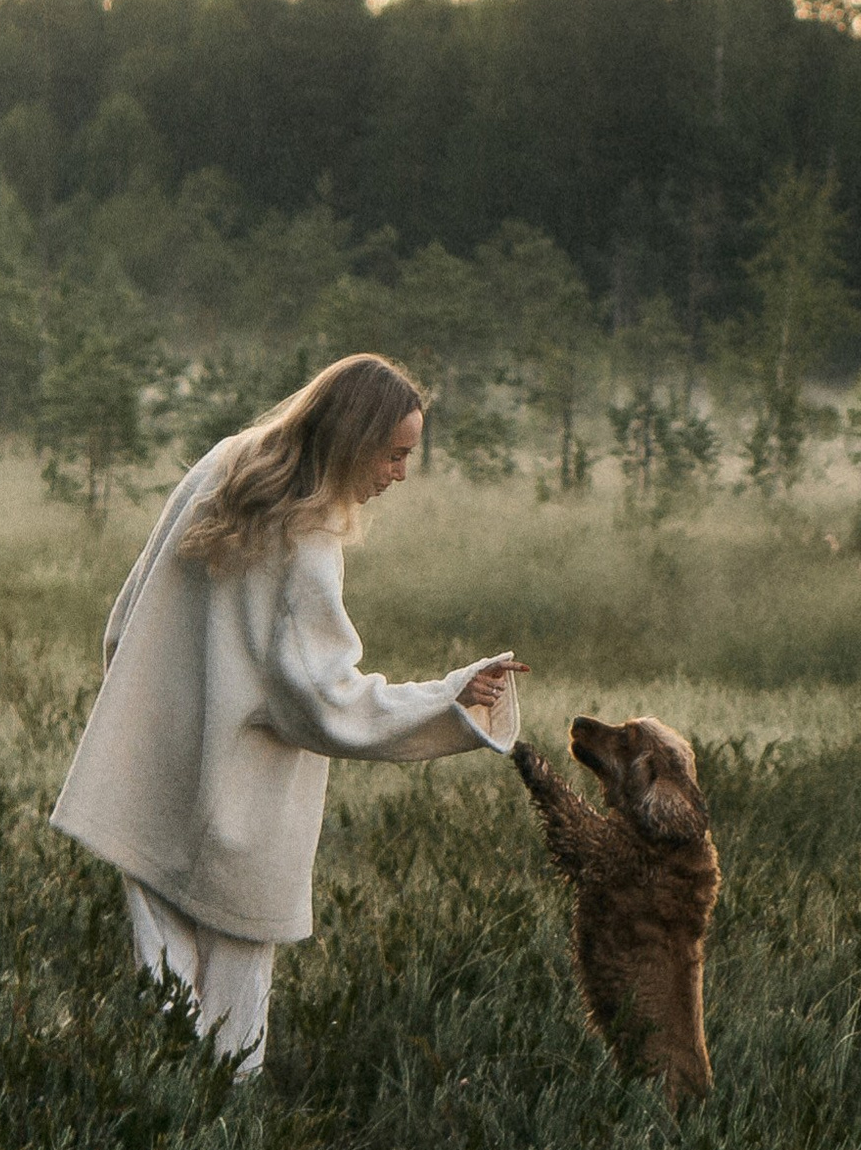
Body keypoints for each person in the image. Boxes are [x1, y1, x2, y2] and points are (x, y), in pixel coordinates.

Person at [50, 350, 527, 1080]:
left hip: (148, 772)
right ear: (353, 438)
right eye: (395, 454)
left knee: (164, 1003)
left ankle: (148, 1148)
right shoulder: (309, 537)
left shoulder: (221, 467)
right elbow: (323, 702)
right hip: (243, 807)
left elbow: (125, 618)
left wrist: (144, 715)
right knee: (231, 1034)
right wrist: (450, 699)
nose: (399, 474)